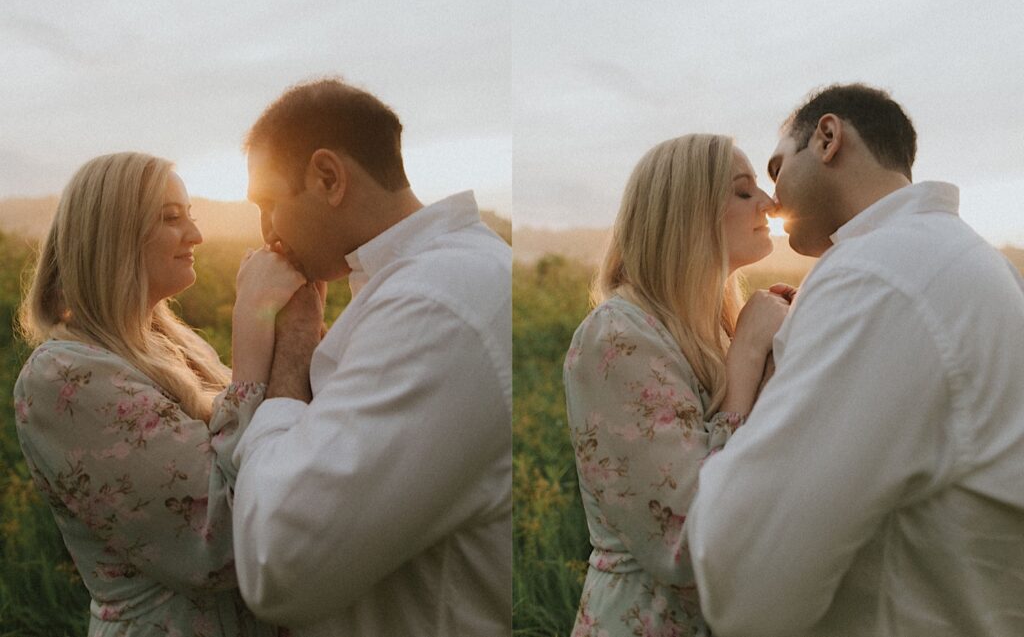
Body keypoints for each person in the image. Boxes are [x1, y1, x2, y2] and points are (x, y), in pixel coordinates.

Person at [687, 84, 1024, 637]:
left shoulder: (878, 276)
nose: (773, 201)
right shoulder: (976, 263)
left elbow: (746, 575)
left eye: (776, 170)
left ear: (827, 138)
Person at [228, 78, 512, 636]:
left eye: (267, 204)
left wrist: (291, 357)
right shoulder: (422, 283)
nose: (266, 233)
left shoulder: (433, 303)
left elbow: (279, 566)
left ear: (328, 178)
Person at [13, 152, 307, 636]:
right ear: (112, 234)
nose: (196, 235)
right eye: (172, 218)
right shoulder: (63, 377)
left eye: (191, 215)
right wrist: (252, 322)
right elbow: (220, 544)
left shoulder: (174, 345)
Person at [563, 134, 791, 637]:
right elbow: (686, 541)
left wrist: (778, 360)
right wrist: (749, 357)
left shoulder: (715, 328)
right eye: (743, 190)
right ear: (688, 211)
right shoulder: (617, 335)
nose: (771, 204)